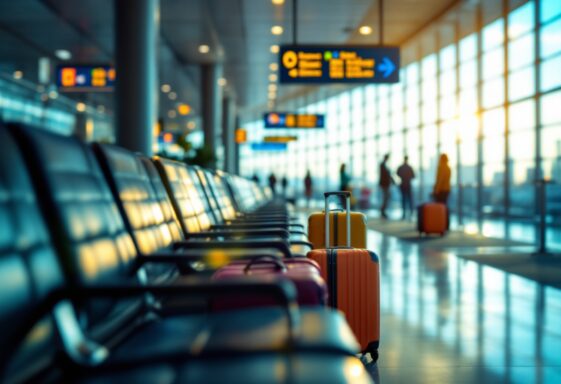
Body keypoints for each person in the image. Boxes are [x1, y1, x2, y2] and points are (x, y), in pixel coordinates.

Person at [397, 155, 415, 220]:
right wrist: (408, 177)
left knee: (404, 199)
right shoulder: (410, 167)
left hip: (403, 185)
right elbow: (413, 176)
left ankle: (404, 213)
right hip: (408, 185)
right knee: (410, 199)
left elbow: (397, 174)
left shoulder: (401, 167)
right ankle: (411, 213)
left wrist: (403, 177)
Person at [379, 154, 394, 219]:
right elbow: (385, 175)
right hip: (385, 184)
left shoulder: (383, 165)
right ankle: (383, 211)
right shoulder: (383, 165)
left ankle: (383, 210)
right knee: (386, 197)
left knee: (386, 197)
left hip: (385, 184)